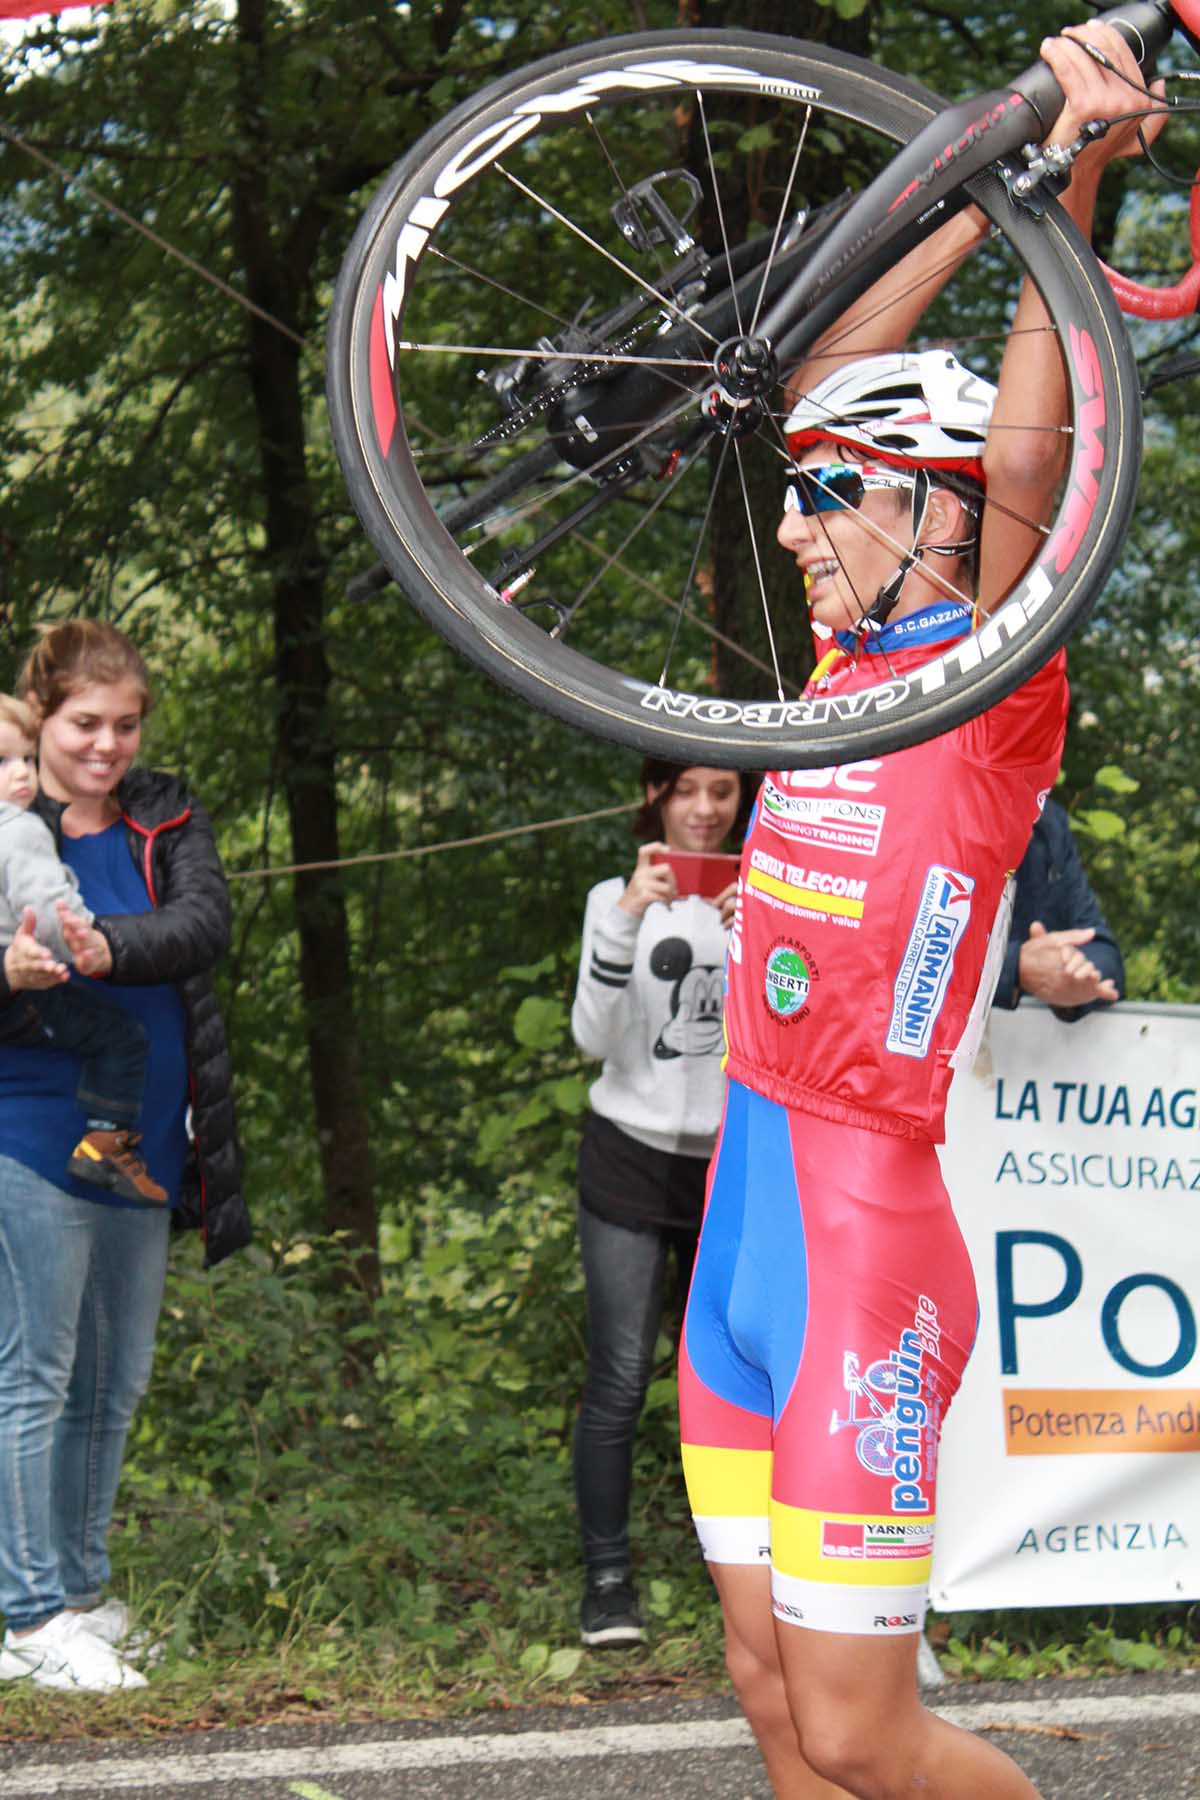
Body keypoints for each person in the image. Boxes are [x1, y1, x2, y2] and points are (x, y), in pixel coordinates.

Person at [676, 26, 1156, 1800]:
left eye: (830, 499)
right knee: (773, 1698)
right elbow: (822, 360)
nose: (796, 530)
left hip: (863, 1243)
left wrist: (1081, 186)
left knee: (871, 1728)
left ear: (939, 515)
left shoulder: (984, 674)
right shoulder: (838, 671)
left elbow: (1036, 445)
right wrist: (991, 181)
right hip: (740, 1215)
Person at [0, 620, 248, 1694]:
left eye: (126, 725)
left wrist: (109, 945)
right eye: (84, 724)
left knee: (113, 1383)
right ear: (41, 719)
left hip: (139, 1144)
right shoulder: (6, 820)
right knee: (34, 1379)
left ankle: (86, 1593)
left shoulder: (166, 815)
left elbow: (203, 923)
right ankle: (26, 1614)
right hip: (31, 1134)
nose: (107, 745)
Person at [570, 760, 756, 1648]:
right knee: (617, 1376)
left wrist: (756, 940)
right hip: (628, 1160)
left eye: (722, 793)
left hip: (729, 1166)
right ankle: (608, 1582)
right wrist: (628, 919)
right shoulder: (615, 895)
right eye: (687, 792)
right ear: (655, 798)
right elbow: (590, 1039)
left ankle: (747, 1577)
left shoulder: (768, 892)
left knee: (734, 1381)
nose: (706, 810)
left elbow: (789, 1034)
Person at [0, 694, 166, 1204]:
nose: (22, 774)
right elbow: (50, 914)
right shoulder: (19, 829)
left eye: (28, 758)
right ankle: (104, 1141)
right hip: (31, 991)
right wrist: (85, 936)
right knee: (121, 1038)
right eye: (2, 763)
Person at [995, 796, 1123, 1020]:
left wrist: (1076, 975)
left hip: (1022, 1040)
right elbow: (916, 946)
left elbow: (1102, 949)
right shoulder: (930, 804)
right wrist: (1015, 967)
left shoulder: (1048, 822)